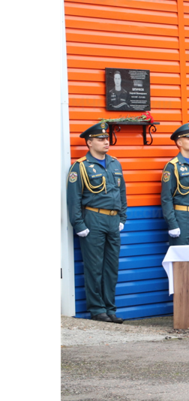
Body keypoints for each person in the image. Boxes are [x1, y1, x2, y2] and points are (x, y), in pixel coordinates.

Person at [66, 122, 128, 323]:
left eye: (106, 138)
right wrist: (79, 224)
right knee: (94, 267)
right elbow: (73, 198)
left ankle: (110, 308)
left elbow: (122, 193)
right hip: (93, 218)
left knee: (112, 266)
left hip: (113, 219)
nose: (105, 141)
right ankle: (97, 309)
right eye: (100, 139)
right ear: (89, 142)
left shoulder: (114, 163)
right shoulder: (80, 166)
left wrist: (122, 218)